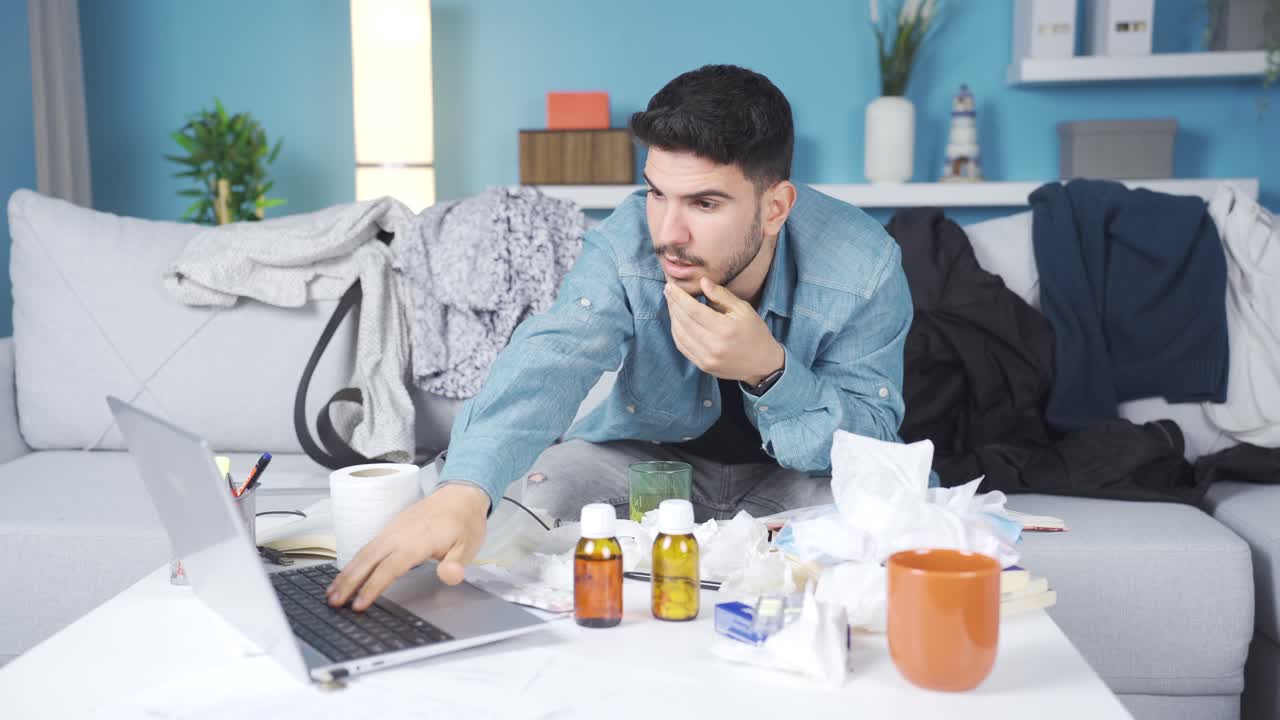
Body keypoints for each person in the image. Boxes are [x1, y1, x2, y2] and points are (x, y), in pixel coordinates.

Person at [328, 64, 912, 611]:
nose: (668, 232)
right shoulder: (627, 242)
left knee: (887, 521)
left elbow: (871, 448)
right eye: (658, 193)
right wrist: (461, 490)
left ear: (776, 205)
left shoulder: (864, 267)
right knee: (529, 495)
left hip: (796, 481)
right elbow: (550, 358)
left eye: (704, 203)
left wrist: (770, 372)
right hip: (649, 462)